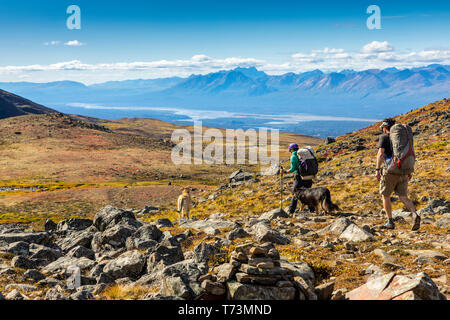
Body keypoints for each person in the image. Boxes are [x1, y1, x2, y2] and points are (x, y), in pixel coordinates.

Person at [376, 118, 421, 230]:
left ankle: (390, 221)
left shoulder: (384, 137)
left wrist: (377, 170)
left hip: (390, 171)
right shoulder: (403, 139)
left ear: (385, 127)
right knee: (403, 196)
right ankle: (414, 214)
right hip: (404, 171)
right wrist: (409, 171)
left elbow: (381, 154)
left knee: (385, 195)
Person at [282, 143, 313, 214]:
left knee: (295, 194)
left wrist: (285, 171)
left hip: (299, 177)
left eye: (290, 150)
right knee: (308, 193)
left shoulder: (293, 156)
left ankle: (291, 211)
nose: (290, 151)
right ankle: (312, 210)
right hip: (308, 176)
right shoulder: (303, 155)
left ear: (292, 149)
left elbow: (293, 168)